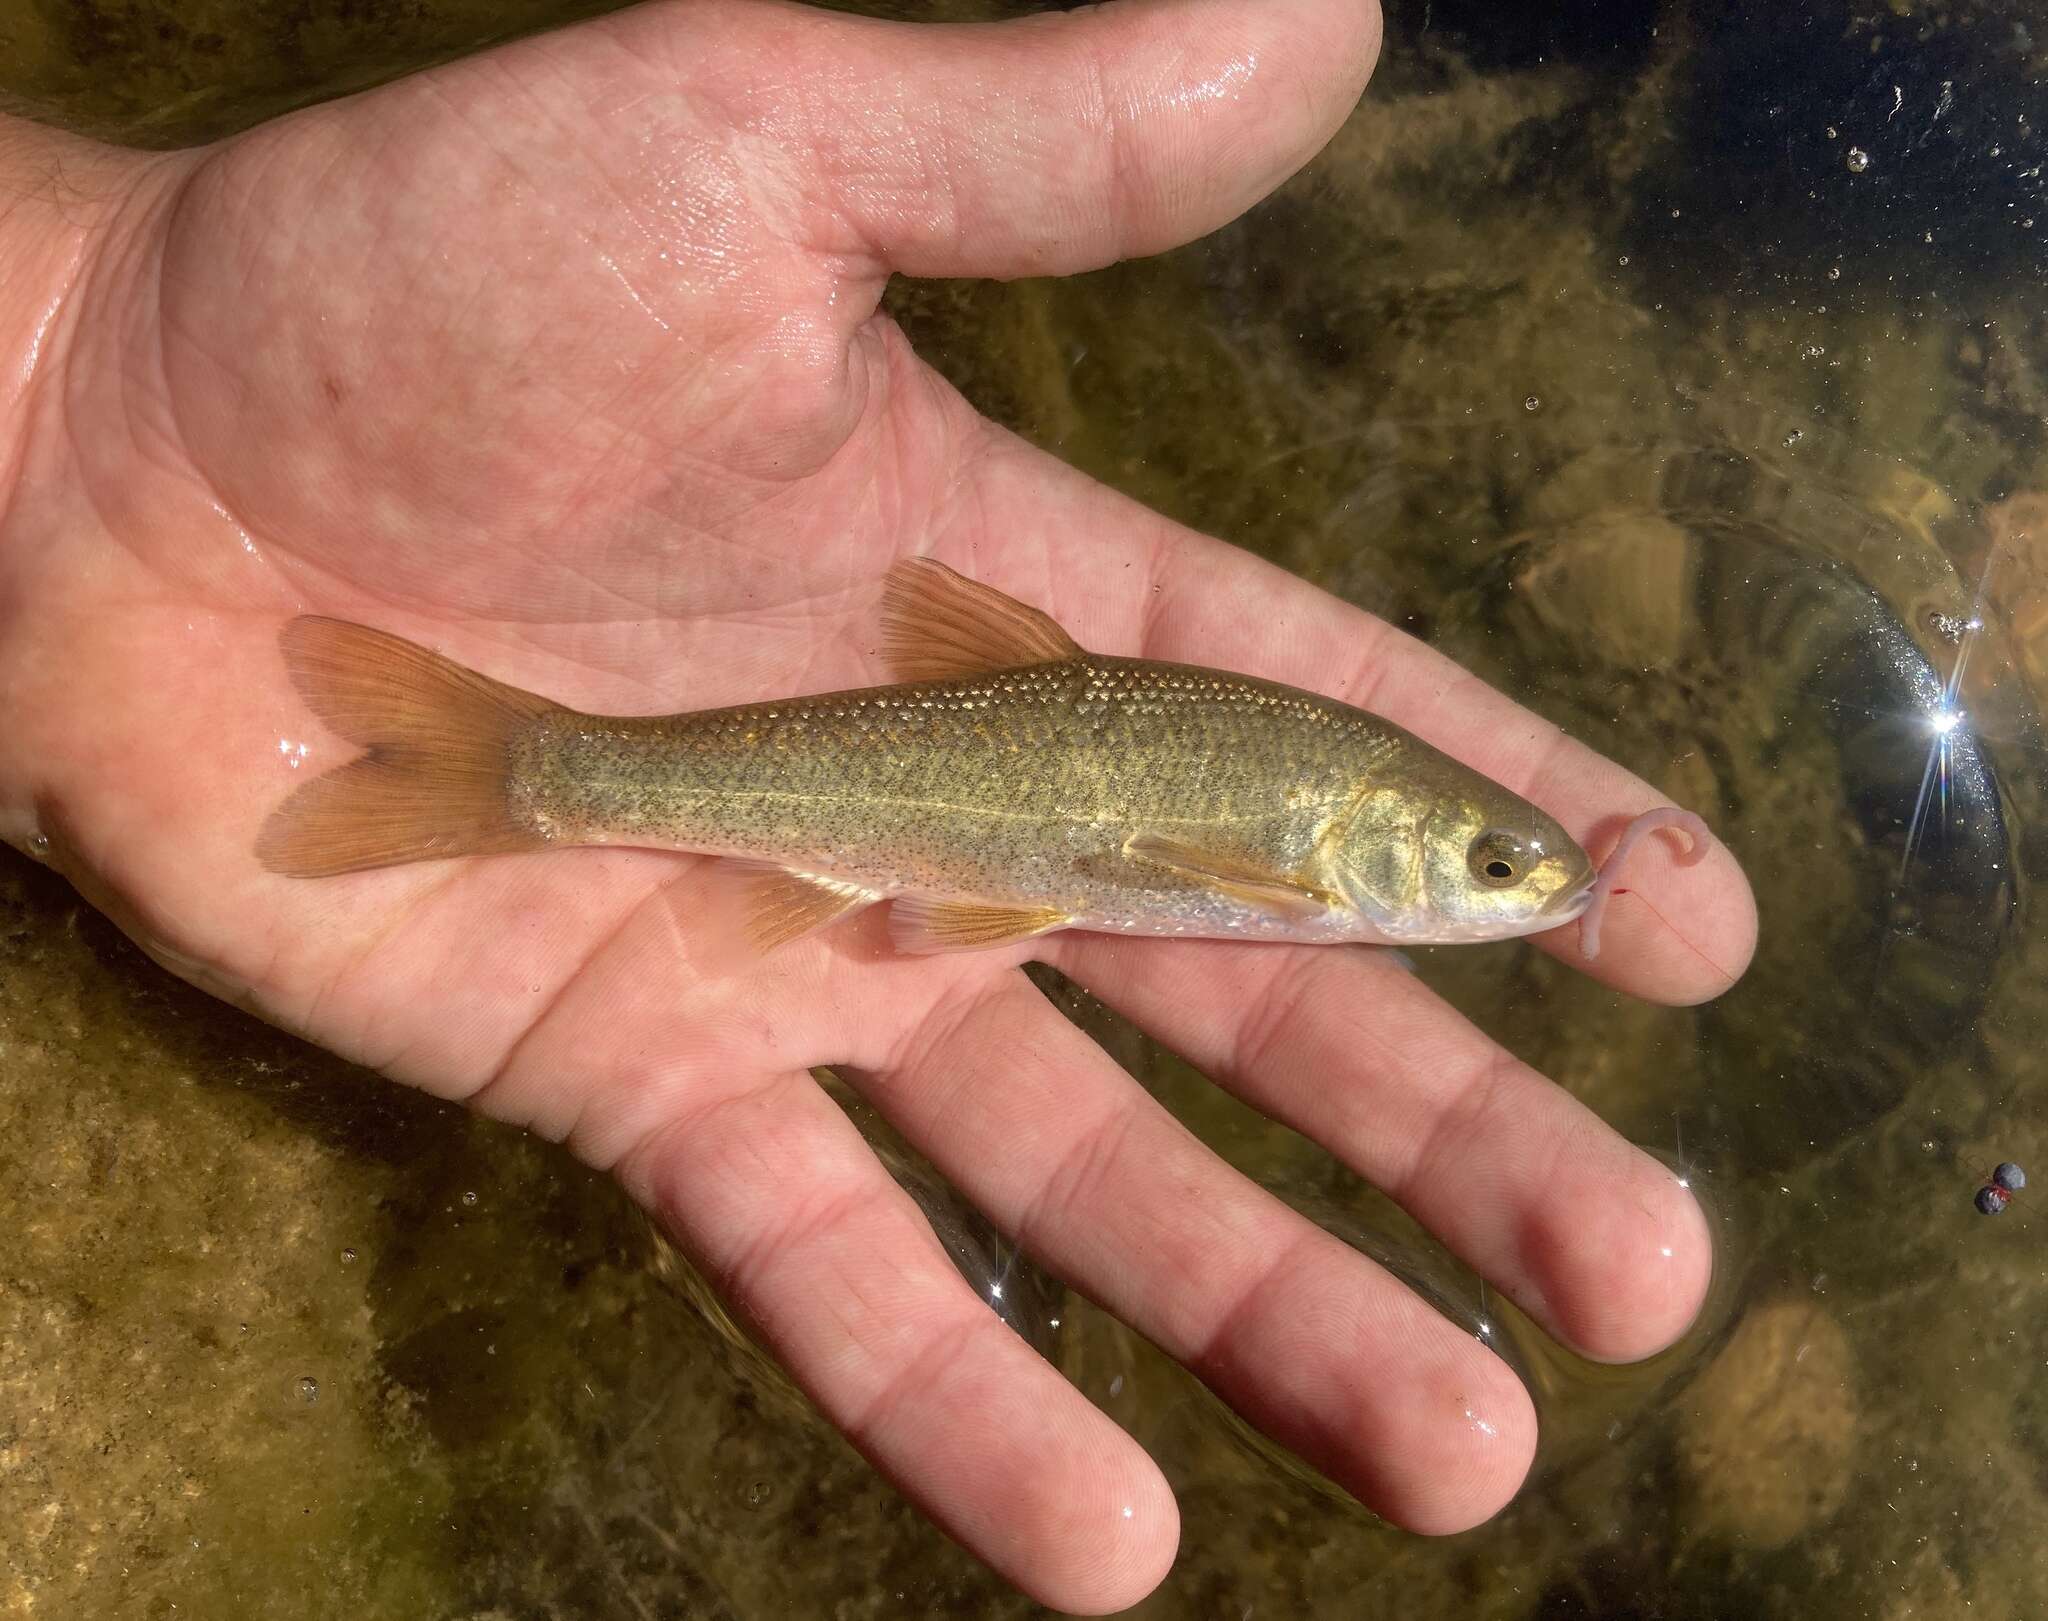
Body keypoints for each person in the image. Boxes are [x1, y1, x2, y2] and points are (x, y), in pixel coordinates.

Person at [0, 0, 1755, 1610]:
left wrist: (61, 374)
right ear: (1373, 841)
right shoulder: (1310, 832)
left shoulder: (1326, 799)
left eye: (1506, 870)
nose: (1513, 887)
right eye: (1484, 866)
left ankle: (530, 769)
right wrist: (71, 379)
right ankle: (528, 771)